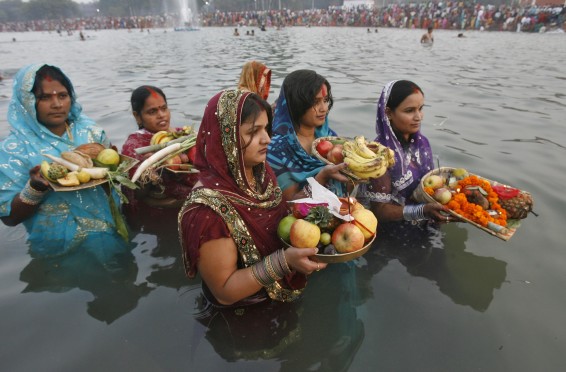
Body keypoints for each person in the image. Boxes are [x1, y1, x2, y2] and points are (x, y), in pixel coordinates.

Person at [179, 89, 325, 307]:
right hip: (242, 316)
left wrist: (322, 180)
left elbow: (283, 219)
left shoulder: (260, 173)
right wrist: (284, 261)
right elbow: (224, 292)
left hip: (279, 298)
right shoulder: (206, 211)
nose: (267, 139)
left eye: (266, 129)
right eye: (253, 132)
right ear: (226, 138)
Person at [0, 64, 129, 261]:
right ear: (27, 102)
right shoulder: (14, 150)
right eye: (44, 97)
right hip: (56, 249)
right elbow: (9, 217)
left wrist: (114, 171)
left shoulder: (91, 133)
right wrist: (34, 188)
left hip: (109, 235)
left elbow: (111, 189)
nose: (57, 104)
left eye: (62, 95)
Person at [360, 80, 450, 227]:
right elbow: (379, 212)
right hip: (393, 234)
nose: (418, 117)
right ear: (388, 113)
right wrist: (421, 211)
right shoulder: (378, 155)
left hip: (427, 221)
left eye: (420, 108)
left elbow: (430, 188)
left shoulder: (422, 143)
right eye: (409, 111)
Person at [267, 69, 349, 201]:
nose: (324, 108)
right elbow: (290, 204)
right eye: (315, 102)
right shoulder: (276, 150)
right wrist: (322, 177)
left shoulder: (330, 137)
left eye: (326, 100)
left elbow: (345, 189)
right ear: (296, 104)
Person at [121, 85, 197, 209]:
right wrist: (149, 171)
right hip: (155, 215)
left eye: (164, 108)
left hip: (188, 206)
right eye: (152, 111)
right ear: (137, 116)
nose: (161, 115)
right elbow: (136, 193)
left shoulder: (183, 135)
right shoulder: (134, 146)